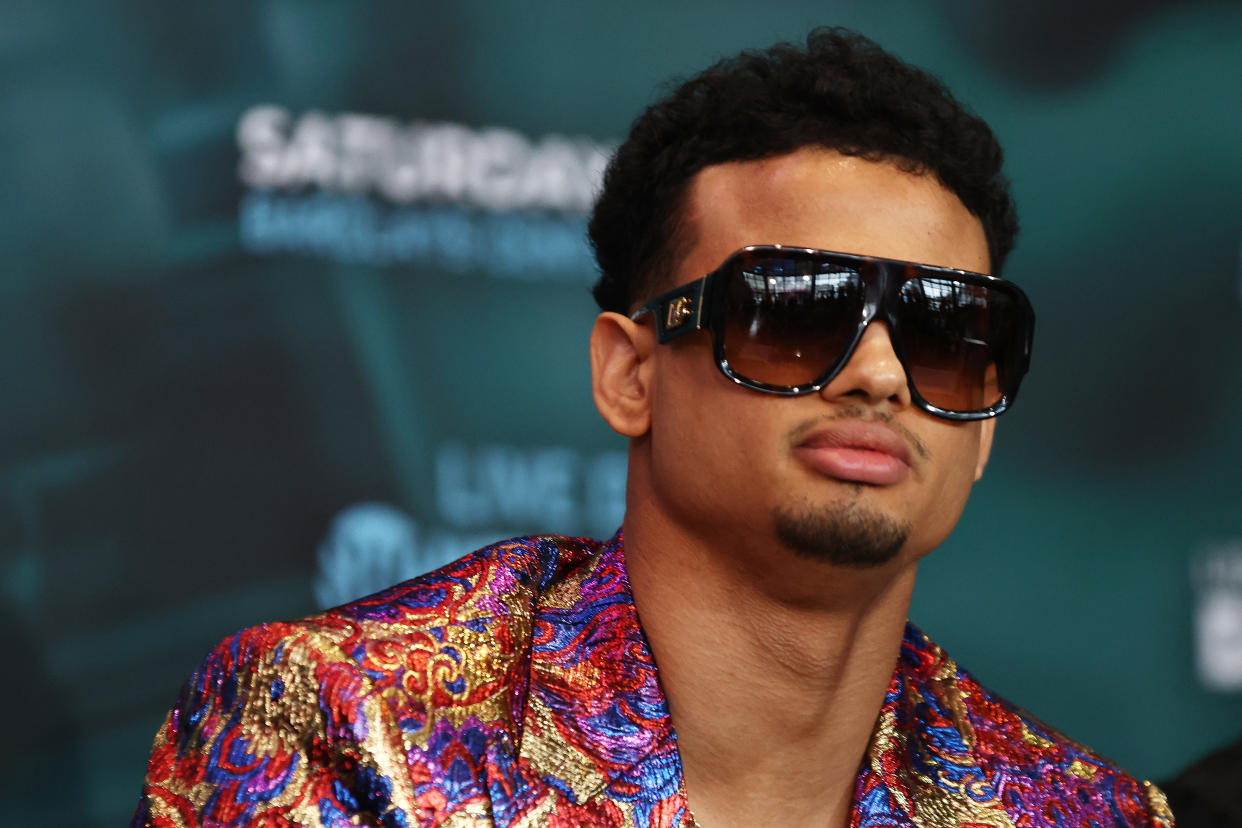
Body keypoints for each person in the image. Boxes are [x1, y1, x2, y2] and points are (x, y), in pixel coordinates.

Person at [133, 28, 1173, 828]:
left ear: (986, 426)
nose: (879, 374)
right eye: (796, 312)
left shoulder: (1082, 812)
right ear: (630, 374)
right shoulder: (345, 725)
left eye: (949, 336)